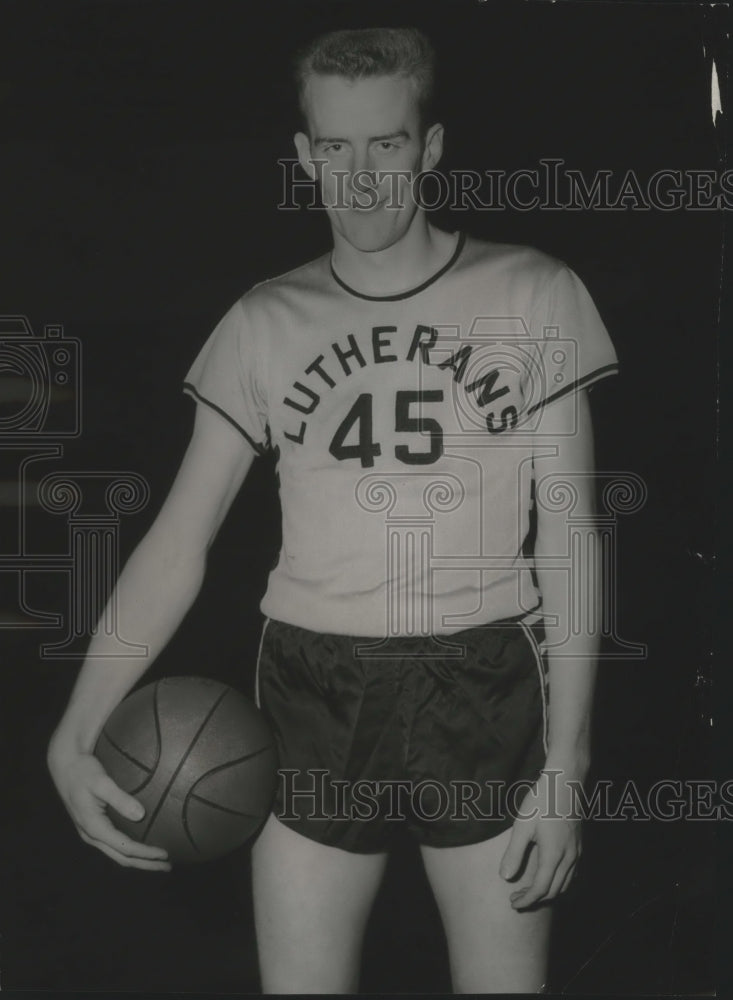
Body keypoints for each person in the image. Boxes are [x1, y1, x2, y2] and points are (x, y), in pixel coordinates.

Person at [47, 26, 619, 994]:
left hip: (482, 677)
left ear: (429, 149)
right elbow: (179, 539)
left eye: (386, 144)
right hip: (312, 685)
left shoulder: (534, 292)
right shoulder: (264, 318)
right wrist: (76, 726)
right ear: (305, 156)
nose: (360, 179)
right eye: (335, 149)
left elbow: (569, 533)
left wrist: (568, 762)